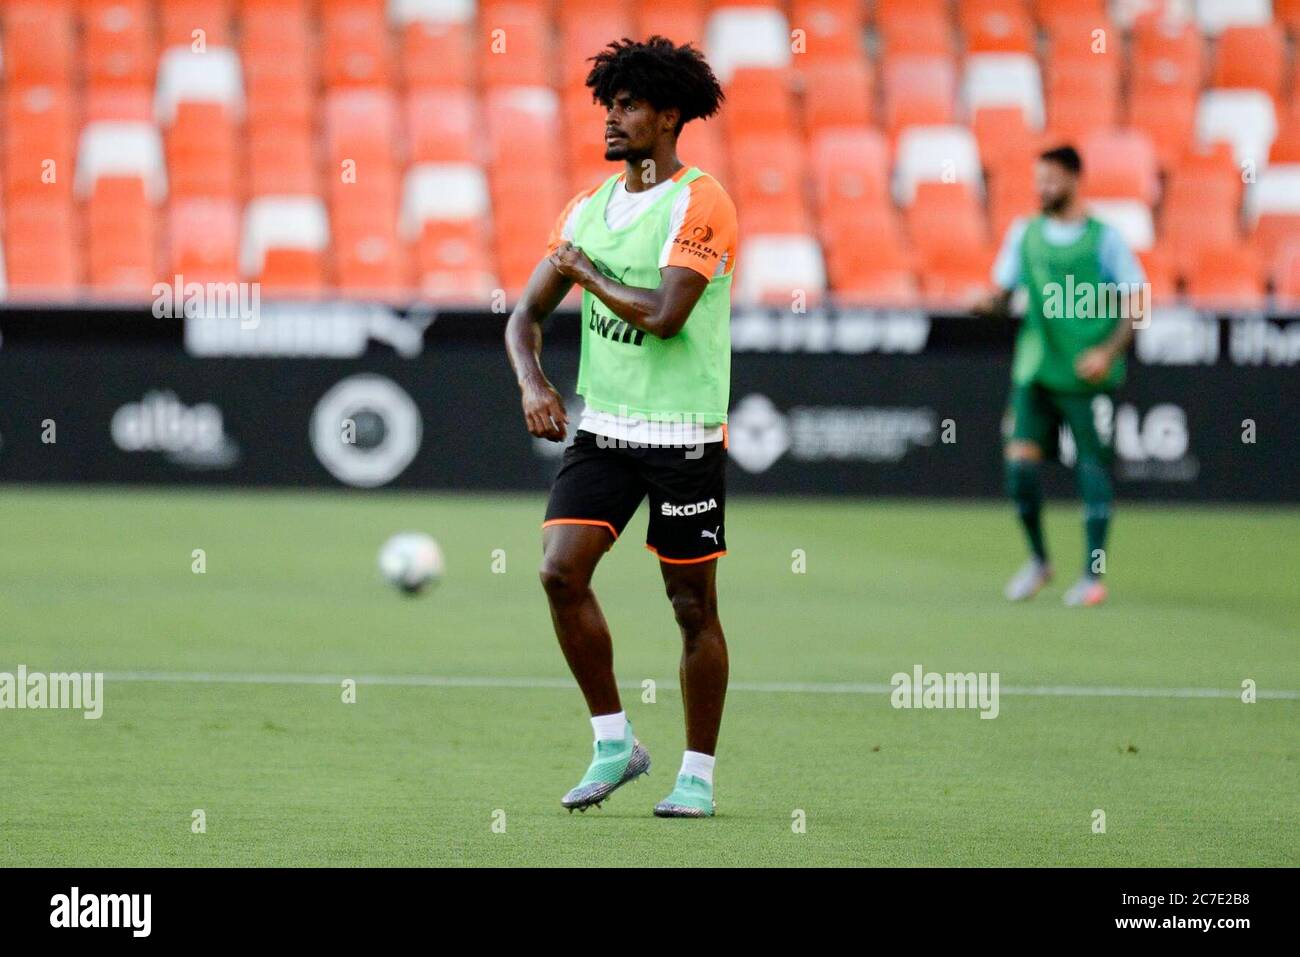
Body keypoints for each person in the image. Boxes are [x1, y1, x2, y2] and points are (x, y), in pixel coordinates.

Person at [503, 37, 737, 817]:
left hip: (684, 436)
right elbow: (524, 317)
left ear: (669, 117)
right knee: (558, 571)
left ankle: (696, 774)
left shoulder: (702, 201)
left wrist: (588, 273)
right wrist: (534, 380)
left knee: (691, 606)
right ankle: (615, 741)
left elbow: (667, 316)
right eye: (609, 103)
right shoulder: (587, 207)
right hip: (603, 430)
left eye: (629, 105)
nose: (612, 117)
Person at [975, 145, 1147, 607]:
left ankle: (1093, 574)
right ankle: (1038, 561)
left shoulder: (1104, 239)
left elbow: (1138, 300)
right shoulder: (1024, 234)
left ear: (1074, 179)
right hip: (1035, 369)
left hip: (1087, 374)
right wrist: (984, 303)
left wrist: (1107, 351)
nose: (1042, 188)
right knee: (1019, 467)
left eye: (1050, 179)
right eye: (1038, 180)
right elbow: (1004, 293)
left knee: (1092, 469)